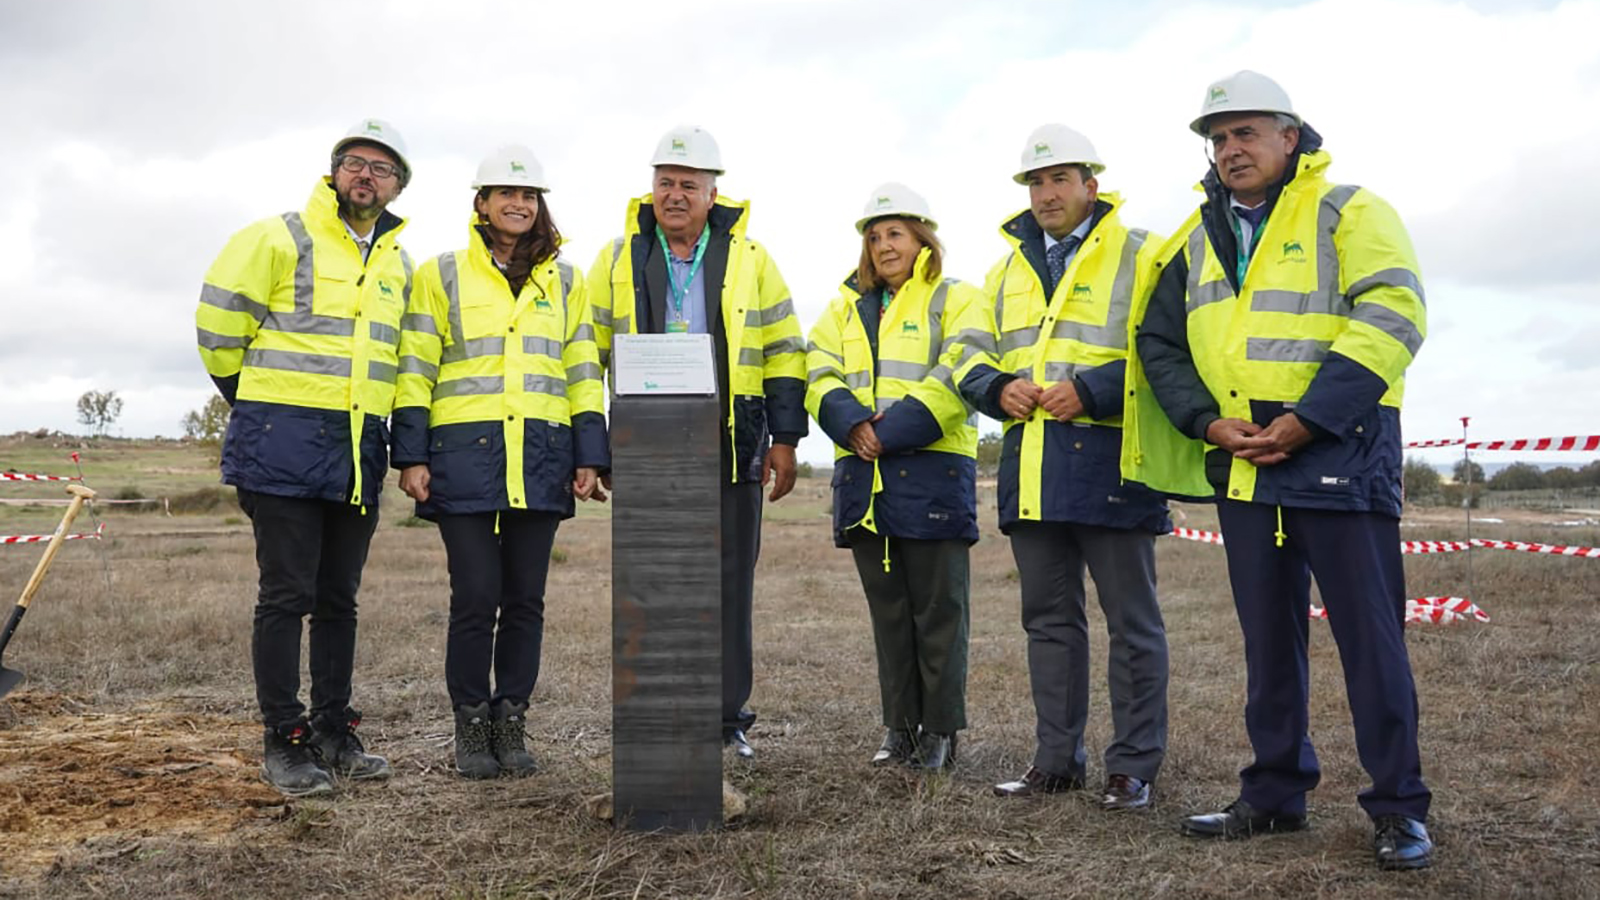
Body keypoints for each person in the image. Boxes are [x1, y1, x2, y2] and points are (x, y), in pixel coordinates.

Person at [1131, 71, 1432, 869]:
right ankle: (1273, 794)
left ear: (1290, 136)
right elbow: (1157, 344)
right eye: (1219, 138)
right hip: (1244, 465)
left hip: (1339, 451)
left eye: (1247, 133)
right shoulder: (1192, 241)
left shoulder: (1350, 210)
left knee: (1370, 642)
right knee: (1268, 644)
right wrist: (1204, 421)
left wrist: (1310, 419)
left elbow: (1393, 313)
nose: (1232, 149)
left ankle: (1399, 807)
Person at [950, 126, 1171, 809]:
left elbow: (1171, 344)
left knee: (1131, 622)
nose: (1046, 193)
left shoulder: (1141, 253)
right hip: (1034, 465)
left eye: (1059, 180)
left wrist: (1098, 390)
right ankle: (1055, 760)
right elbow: (964, 349)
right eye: (1036, 183)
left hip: (1112, 462)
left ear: (1091, 185)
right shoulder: (1006, 268)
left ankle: (1131, 767)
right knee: (1047, 622)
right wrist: (994, 387)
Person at [195, 118, 412, 796]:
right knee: (286, 595)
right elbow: (217, 330)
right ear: (334, 171)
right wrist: (257, 403)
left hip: (355, 452)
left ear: (398, 184)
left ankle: (332, 729)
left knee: (338, 599)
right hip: (282, 446)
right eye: (355, 162)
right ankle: (284, 739)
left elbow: (396, 361)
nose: (366, 174)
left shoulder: (396, 265)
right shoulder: (277, 237)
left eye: (381, 167)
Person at [586, 125, 807, 759]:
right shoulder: (617, 257)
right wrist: (594, 446)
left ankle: (725, 718)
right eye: (665, 183)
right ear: (649, 189)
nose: (675, 195)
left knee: (728, 583)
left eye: (689, 184)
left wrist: (786, 438)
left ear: (714, 194)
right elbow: (587, 350)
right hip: (645, 441)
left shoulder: (752, 258)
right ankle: (656, 714)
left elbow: (786, 350)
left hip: (730, 440)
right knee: (651, 581)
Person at [392, 146, 608, 779]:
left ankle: (511, 721)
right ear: (480, 203)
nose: (520, 204)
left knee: (524, 599)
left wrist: (588, 452)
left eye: (530, 195)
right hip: (462, 456)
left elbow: (581, 370)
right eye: (505, 194)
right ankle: (470, 724)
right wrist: (411, 454)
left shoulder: (566, 281)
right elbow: (415, 366)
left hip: (540, 455)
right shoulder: (443, 274)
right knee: (475, 595)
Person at [805, 183, 984, 771]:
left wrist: (892, 429)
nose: (884, 245)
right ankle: (899, 727)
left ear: (922, 239)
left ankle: (940, 731)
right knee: (889, 612)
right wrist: (851, 423)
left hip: (931, 472)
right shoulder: (841, 308)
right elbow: (818, 371)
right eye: (875, 236)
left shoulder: (957, 298)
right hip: (864, 480)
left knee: (938, 611)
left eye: (896, 234)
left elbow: (962, 368)